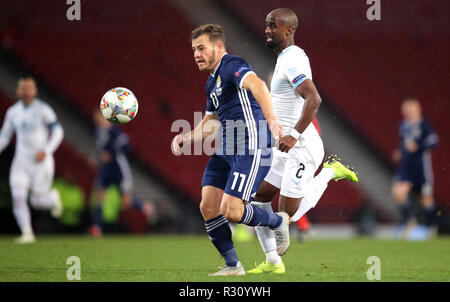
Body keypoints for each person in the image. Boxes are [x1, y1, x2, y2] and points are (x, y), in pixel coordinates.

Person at [172, 24, 290, 276]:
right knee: (208, 206)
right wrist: (187, 137)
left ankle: (279, 221)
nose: (196, 54)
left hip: (252, 146)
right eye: (194, 49)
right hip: (226, 150)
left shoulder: (232, 64)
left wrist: (271, 120)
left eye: (201, 48)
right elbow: (211, 122)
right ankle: (233, 266)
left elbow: (258, 85)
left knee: (233, 211)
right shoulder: (211, 83)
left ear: (219, 46)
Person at [247, 8, 359, 274]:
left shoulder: (293, 59)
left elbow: (314, 98)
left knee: (289, 216)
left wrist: (293, 134)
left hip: (302, 148)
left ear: (289, 31)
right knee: (258, 199)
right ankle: (273, 261)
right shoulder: (285, 58)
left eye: (273, 26)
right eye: (266, 25)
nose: (267, 30)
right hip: (285, 147)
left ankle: (331, 171)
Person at [0, 76, 64, 243]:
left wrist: (47, 150)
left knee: (37, 202)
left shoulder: (43, 110)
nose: (26, 92)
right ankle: (27, 233)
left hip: (41, 162)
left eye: (29, 88)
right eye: (23, 88)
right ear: (18, 91)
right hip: (21, 161)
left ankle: (52, 197)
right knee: (18, 196)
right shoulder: (13, 112)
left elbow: (58, 132)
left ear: (35, 91)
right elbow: (5, 136)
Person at [391, 98, 438, 238]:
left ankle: (431, 227)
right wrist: (401, 152)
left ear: (417, 109)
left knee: (426, 199)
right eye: (406, 109)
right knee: (398, 191)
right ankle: (410, 221)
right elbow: (404, 143)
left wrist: (419, 146)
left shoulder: (424, 125)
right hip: (406, 167)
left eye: (410, 108)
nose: (408, 111)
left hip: (421, 169)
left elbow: (433, 142)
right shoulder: (403, 125)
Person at [88, 111, 134, 237]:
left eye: (100, 118)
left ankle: (145, 207)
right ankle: (97, 228)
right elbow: (101, 150)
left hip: (118, 168)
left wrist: (111, 154)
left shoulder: (115, 131)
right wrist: (97, 158)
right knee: (99, 196)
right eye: (96, 119)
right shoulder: (98, 132)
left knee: (126, 202)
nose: (98, 121)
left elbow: (126, 146)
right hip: (106, 169)